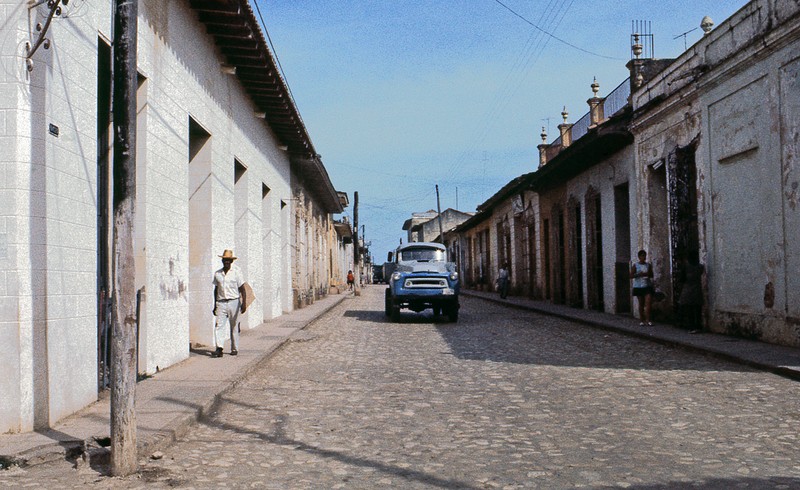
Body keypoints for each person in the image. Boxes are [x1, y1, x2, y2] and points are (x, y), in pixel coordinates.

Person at [211, 249, 247, 358]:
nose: (226, 262)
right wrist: (215, 305)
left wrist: (243, 303)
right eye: (225, 260)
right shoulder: (218, 274)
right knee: (219, 325)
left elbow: (242, 288)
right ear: (222, 261)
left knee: (234, 325)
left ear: (231, 262)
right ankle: (219, 348)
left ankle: (234, 348)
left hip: (234, 302)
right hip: (221, 302)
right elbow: (216, 289)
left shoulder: (236, 272)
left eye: (228, 260)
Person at [677, 253, 705, 333]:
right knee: (697, 309)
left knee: (689, 310)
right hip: (697, 289)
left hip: (688, 290)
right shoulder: (700, 267)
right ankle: (698, 326)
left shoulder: (686, 267)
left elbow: (682, 279)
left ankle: (691, 326)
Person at [630, 250, 654, 326]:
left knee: (648, 302)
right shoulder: (635, 265)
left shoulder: (648, 265)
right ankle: (642, 319)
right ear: (639, 257)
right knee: (641, 303)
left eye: (644, 256)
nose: (644, 257)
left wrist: (647, 274)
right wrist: (638, 274)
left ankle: (648, 319)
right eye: (642, 256)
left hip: (647, 285)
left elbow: (651, 275)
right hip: (638, 286)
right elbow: (630, 276)